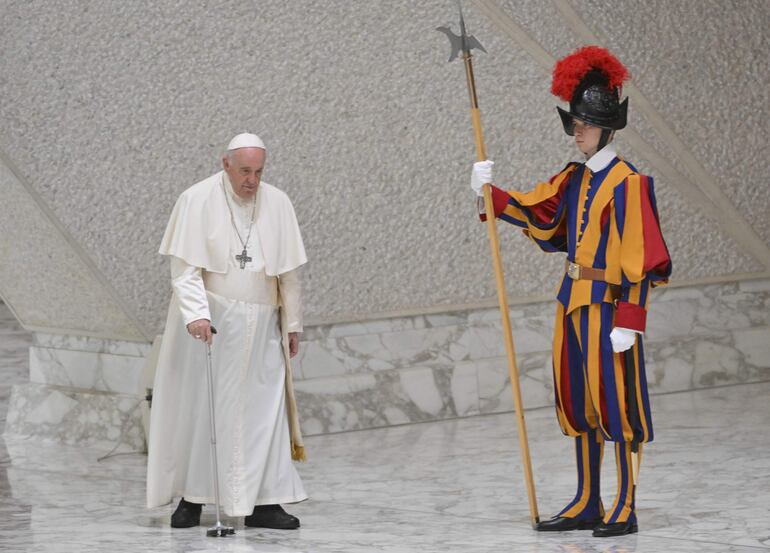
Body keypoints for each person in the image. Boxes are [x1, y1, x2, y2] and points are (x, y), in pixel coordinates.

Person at [470, 46, 671, 537]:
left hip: (609, 308)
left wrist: (631, 318)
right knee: (578, 403)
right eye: (574, 122)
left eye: (583, 123)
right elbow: (541, 215)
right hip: (572, 303)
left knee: (617, 405)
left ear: (606, 127)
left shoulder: (631, 184)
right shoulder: (574, 178)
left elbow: (642, 262)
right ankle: (587, 499)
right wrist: (489, 195)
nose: (575, 130)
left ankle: (624, 504)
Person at [147, 133, 308, 530]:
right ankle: (191, 498)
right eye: (244, 171)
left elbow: (290, 272)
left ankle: (264, 503)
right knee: (204, 411)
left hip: (263, 324)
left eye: (258, 172)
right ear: (225, 164)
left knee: (264, 415)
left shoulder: (278, 202)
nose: (252, 181)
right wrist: (197, 315)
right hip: (213, 324)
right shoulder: (196, 199)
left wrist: (292, 324)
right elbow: (184, 270)